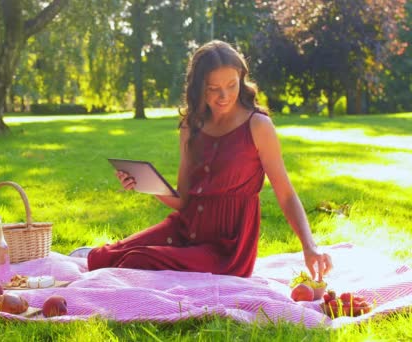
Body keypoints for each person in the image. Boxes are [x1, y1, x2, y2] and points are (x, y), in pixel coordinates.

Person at [71, 40, 333, 280]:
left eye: (232, 85)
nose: (224, 96)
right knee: (103, 259)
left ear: (242, 79)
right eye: (213, 88)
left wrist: (309, 247)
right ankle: (99, 258)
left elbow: (286, 194)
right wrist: (146, 184)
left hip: (226, 249)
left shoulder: (258, 125)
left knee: (137, 260)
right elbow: (183, 201)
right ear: (199, 88)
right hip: (186, 228)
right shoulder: (191, 125)